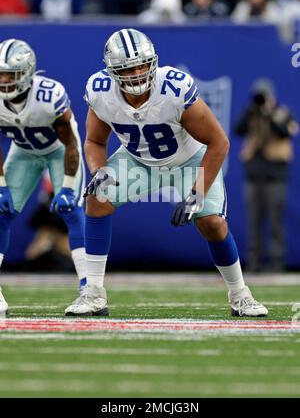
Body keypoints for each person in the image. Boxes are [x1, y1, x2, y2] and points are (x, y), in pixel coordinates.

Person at [65, 28, 268, 317]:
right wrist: (98, 170)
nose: (136, 73)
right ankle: (93, 293)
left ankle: (240, 294)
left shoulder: (174, 88)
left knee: (211, 223)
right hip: (138, 160)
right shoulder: (100, 90)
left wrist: (197, 193)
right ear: (111, 71)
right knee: (97, 197)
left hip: (188, 158)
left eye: (141, 65)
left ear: (153, 62)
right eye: (127, 68)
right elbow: (95, 141)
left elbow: (219, 142)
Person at [0, 39, 87, 315]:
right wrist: (1, 186)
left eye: (9, 75)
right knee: (1, 213)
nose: (3, 81)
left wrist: (68, 186)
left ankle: (90, 289)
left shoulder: (49, 96)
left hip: (58, 151)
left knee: (71, 210)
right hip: (23, 152)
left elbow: (71, 143)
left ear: (26, 73)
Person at [235, 79, 298, 272]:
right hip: (254, 175)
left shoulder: (283, 113)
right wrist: (250, 111)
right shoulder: (251, 113)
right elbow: (238, 130)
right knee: (254, 221)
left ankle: (276, 261)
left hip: (275, 175)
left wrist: (270, 114)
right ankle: (254, 261)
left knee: (275, 221)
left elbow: (284, 133)